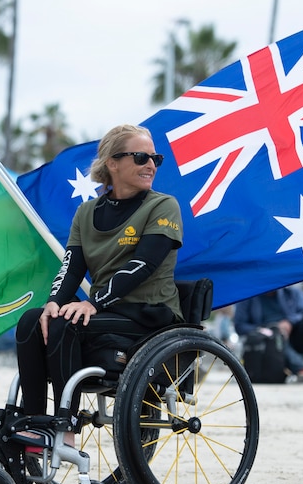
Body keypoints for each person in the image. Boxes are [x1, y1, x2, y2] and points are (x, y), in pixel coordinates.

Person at [15, 124, 183, 447]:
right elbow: (71, 267)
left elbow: (144, 264)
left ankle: (65, 428)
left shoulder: (163, 206)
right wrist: (54, 301)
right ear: (113, 163)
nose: (150, 165)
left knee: (67, 324)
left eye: (154, 158)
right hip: (108, 311)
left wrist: (94, 302)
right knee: (32, 321)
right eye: (140, 157)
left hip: (149, 314)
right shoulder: (86, 212)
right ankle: (34, 424)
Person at [233, 286, 303, 378]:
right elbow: (240, 326)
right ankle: (301, 369)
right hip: (267, 340)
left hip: (294, 335)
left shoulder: (292, 292)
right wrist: (262, 330)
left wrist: (289, 322)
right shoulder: (247, 297)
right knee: (275, 334)